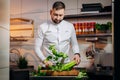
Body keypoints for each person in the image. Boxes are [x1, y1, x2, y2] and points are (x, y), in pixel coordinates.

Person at [35, 1, 81, 67]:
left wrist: (77, 54)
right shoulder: (42, 27)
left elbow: (74, 44)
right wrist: (44, 60)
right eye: (55, 15)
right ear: (51, 12)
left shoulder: (70, 26)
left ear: (64, 13)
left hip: (65, 65)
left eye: (61, 15)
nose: (58, 18)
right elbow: (37, 47)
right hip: (48, 65)